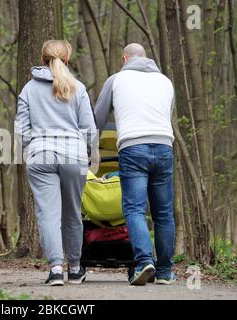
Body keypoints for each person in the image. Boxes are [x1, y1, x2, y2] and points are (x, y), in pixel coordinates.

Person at [14, 40, 96, 286]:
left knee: (48, 214)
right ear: (67, 60)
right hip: (74, 155)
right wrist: (88, 152)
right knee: (73, 213)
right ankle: (76, 268)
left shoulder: (29, 89)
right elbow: (89, 129)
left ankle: (56, 270)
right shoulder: (78, 88)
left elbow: (21, 129)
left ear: (43, 59)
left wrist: (31, 148)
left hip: (41, 156)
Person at [95, 43, 176, 286]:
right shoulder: (166, 81)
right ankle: (164, 272)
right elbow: (167, 114)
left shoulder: (116, 79)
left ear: (124, 59)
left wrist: (91, 149)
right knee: (163, 213)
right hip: (164, 146)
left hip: (133, 147)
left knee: (134, 209)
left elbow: (98, 118)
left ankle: (143, 262)